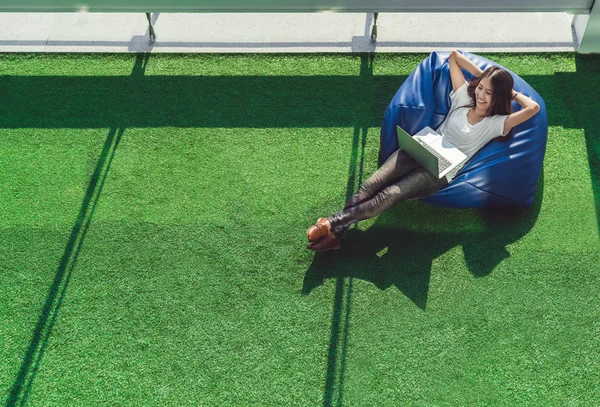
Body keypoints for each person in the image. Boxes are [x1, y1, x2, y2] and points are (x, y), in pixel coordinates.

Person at [306, 50, 541, 251]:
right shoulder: (462, 99)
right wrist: (485, 77)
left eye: (488, 93)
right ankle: (335, 235)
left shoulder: (496, 123)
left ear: (498, 97)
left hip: (439, 171)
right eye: (480, 89)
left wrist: (511, 94)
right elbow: (454, 57)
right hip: (420, 147)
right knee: (370, 184)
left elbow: (533, 108)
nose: (480, 95)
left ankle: (331, 223)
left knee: (391, 194)